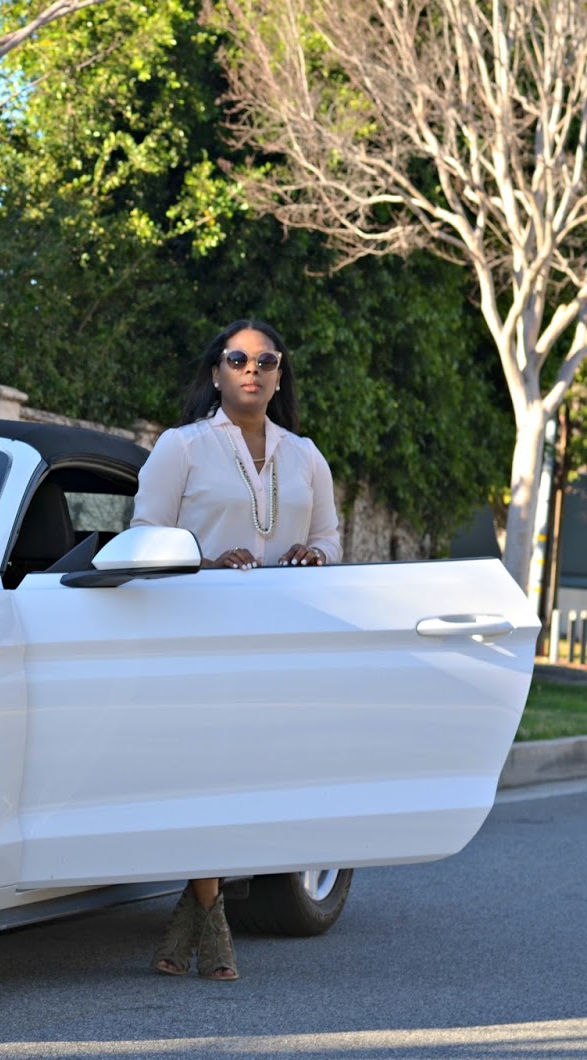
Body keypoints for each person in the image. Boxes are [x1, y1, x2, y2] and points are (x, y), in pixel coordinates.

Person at [131, 318, 341, 980]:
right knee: (205, 774)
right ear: (217, 372)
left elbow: (334, 539)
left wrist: (314, 553)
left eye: (265, 360)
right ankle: (214, 921)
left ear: (279, 376)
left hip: (282, 643)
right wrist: (203, 561)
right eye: (237, 358)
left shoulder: (305, 455)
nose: (251, 369)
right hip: (196, 636)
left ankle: (188, 918)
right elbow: (142, 537)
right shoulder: (181, 447)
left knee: (248, 776)